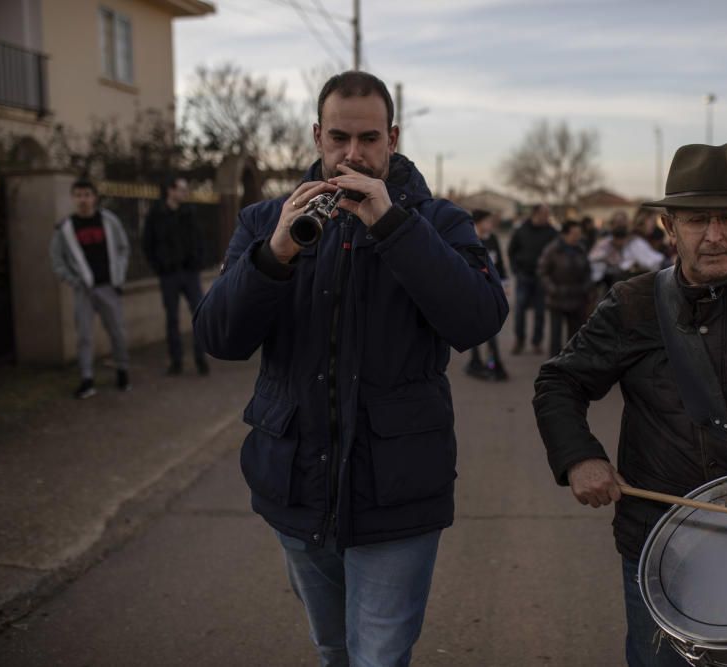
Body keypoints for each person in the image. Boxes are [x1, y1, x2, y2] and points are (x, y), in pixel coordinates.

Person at [193, 70, 507, 667]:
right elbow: (218, 337)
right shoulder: (264, 221)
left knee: (379, 656)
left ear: (392, 137)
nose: (353, 154)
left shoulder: (440, 222)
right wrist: (276, 253)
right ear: (317, 136)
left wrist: (393, 225)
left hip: (398, 491)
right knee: (334, 648)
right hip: (297, 486)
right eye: (339, 137)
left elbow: (478, 320)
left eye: (369, 139)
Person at [532, 143, 727, 667]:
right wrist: (579, 457)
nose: (714, 235)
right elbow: (559, 383)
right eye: (698, 220)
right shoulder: (632, 304)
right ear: (668, 227)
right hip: (662, 540)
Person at [49, 178, 131, 399]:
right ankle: (87, 379)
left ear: (94, 197)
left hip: (108, 286)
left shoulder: (109, 221)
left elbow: (123, 248)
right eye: (78, 195)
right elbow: (57, 260)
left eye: (86, 195)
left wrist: (119, 277)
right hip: (83, 290)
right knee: (84, 335)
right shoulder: (65, 228)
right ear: (73, 198)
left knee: (117, 332)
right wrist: (73, 280)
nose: (83, 199)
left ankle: (122, 371)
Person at [142, 175, 209, 376]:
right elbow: (148, 243)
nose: (184, 193)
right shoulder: (156, 214)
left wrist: (197, 261)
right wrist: (159, 266)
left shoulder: (189, 213)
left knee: (199, 314)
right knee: (172, 319)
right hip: (168, 275)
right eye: (181, 189)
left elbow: (200, 239)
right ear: (170, 191)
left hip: (190, 273)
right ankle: (176, 361)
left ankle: (201, 359)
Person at [507, 203, 558, 355]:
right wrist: (516, 269)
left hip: (542, 278)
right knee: (520, 311)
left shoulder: (552, 232)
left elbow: (556, 254)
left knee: (540, 312)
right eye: (544, 214)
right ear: (535, 214)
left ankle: (537, 342)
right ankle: (519, 341)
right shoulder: (521, 230)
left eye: (548, 214)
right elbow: (511, 251)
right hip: (524, 276)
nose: (547, 217)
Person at [537, 220, 592, 358]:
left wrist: (586, 287)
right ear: (565, 234)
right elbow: (543, 272)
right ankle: (553, 364)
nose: (577, 236)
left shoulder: (581, 249)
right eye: (574, 233)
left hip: (577, 298)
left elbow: (587, 271)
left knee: (575, 336)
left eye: (579, 233)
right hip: (557, 299)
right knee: (555, 335)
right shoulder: (552, 250)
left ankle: (571, 362)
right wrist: (553, 289)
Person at [465, 209, 509, 381]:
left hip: (491, 290)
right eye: (487, 221)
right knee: (476, 329)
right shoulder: (468, 238)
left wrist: (504, 281)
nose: (490, 225)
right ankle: (477, 362)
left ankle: (493, 364)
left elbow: (499, 263)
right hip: (474, 290)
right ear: (478, 222)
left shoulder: (492, 239)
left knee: (491, 330)